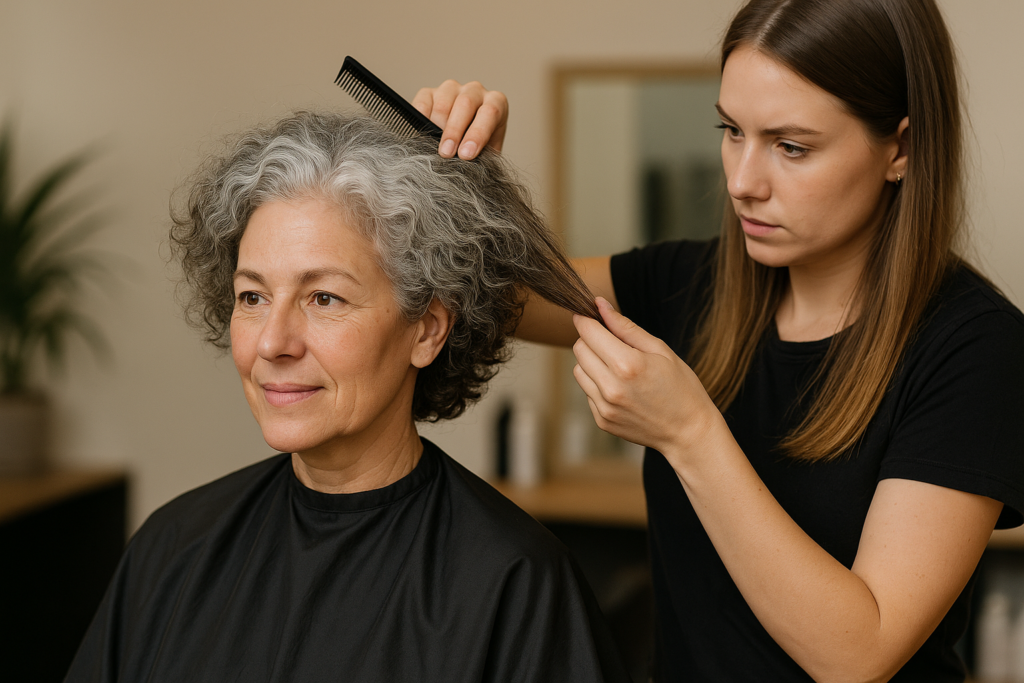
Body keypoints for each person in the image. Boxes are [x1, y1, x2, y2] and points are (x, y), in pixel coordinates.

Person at [414, 0, 1024, 680]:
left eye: (791, 147)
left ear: (901, 149)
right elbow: (499, 299)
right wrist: (464, 185)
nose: (741, 182)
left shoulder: (976, 350)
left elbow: (860, 655)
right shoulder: (692, 284)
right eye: (732, 130)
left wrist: (690, 433)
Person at [64, 111, 630, 683]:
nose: (272, 343)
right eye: (253, 297)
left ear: (426, 330)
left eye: (324, 299)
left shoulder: (516, 584)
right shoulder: (172, 547)